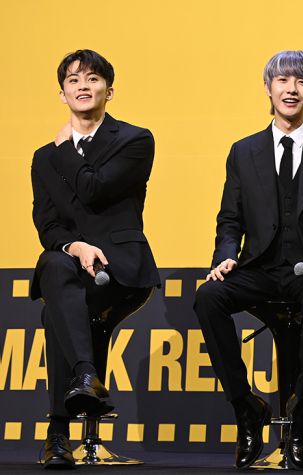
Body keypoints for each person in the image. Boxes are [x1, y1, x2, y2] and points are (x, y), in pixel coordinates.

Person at [194, 50, 303, 470]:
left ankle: (302, 410)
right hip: (259, 268)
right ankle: (245, 406)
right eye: (283, 81)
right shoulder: (243, 151)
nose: (291, 90)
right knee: (208, 298)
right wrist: (225, 257)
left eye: (301, 82)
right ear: (268, 88)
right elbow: (229, 218)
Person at [31, 49, 159, 469]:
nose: (82, 86)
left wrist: (66, 148)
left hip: (120, 269)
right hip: (70, 267)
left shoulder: (135, 140)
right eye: (73, 80)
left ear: (109, 90)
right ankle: (87, 375)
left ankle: (57, 433)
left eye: (92, 79)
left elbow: (94, 189)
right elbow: (48, 225)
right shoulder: (42, 158)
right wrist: (74, 247)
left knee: (55, 307)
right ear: (62, 94)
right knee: (54, 264)